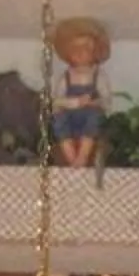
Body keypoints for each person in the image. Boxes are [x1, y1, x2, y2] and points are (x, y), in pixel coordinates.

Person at [50, 16, 109, 167]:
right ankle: (70, 157)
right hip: (70, 117)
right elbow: (56, 100)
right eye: (76, 50)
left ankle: (83, 155)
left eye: (86, 49)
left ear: (94, 53)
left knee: (94, 117)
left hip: (88, 116)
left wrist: (95, 102)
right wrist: (74, 103)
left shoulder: (98, 76)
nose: (81, 54)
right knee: (58, 119)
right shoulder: (66, 77)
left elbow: (106, 100)